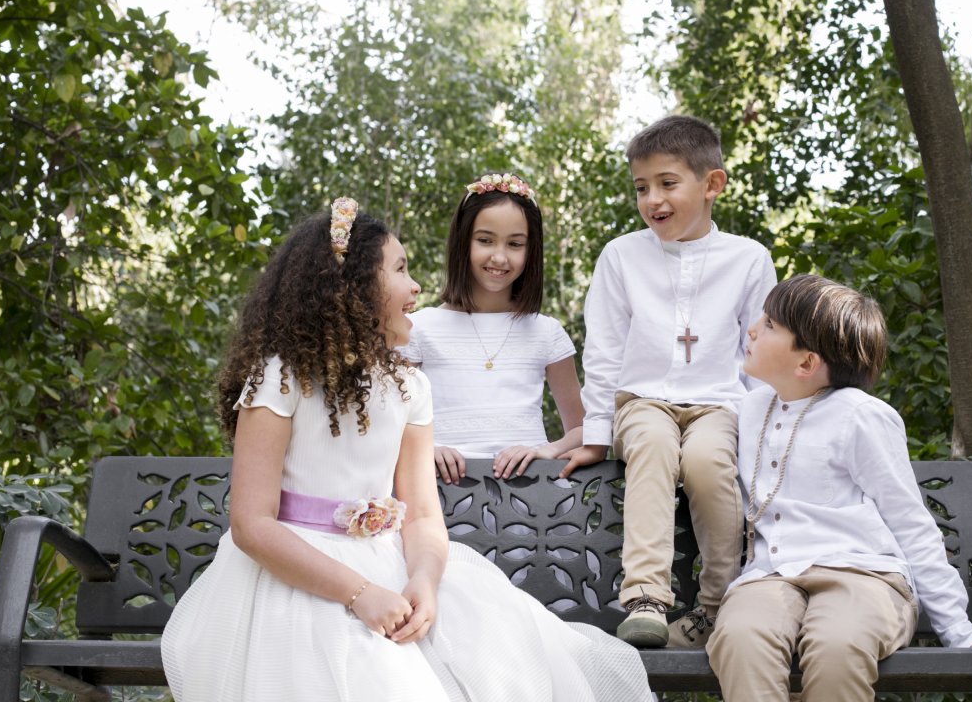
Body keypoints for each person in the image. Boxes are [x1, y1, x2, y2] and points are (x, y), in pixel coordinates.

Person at [160, 199, 651, 702]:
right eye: (399, 270)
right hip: (295, 576)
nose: (416, 286)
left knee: (508, 657)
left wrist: (425, 580)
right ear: (351, 287)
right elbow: (251, 524)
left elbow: (420, 515)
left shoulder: (409, 387)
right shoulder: (280, 378)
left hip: (390, 562)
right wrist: (359, 593)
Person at [707, 273, 972, 701]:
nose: (751, 329)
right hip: (770, 577)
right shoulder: (748, 409)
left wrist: (961, 633)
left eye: (768, 325)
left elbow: (910, 523)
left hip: (864, 577)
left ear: (806, 364)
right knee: (741, 639)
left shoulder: (860, 416)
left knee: (837, 646)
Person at [564, 115, 778, 649]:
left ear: (712, 184)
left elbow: (762, 354)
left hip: (719, 405)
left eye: (667, 183)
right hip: (643, 400)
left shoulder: (748, 259)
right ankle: (645, 599)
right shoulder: (621, 256)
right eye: (641, 187)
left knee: (707, 461)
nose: (652, 199)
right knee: (654, 447)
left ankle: (720, 604)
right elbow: (604, 349)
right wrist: (597, 432)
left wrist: (763, 434)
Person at [400, 173, 584, 483]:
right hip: (441, 491)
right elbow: (387, 422)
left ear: (531, 250)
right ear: (463, 241)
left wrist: (548, 450)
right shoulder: (418, 328)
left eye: (515, 244)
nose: (499, 257)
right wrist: (426, 448)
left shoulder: (547, 332)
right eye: (485, 240)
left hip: (533, 494)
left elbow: (581, 428)